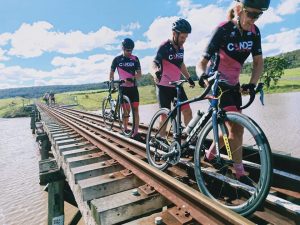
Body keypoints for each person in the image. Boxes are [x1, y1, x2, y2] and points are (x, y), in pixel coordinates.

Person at [197, 0, 270, 184]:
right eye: (251, 14)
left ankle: (210, 155)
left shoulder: (255, 32)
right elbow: (202, 63)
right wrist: (201, 76)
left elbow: (258, 62)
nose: (253, 19)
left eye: (258, 15)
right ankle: (239, 171)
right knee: (235, 128)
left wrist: (252, 84)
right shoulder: (223, 29)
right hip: (217, 85)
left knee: (235, 129)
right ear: (239, 10)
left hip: (234, 86)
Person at [152, 18, 195, 137]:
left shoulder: (181, 48)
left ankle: (189, 139)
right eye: (182, 37)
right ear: (174, 34)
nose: (184, 40)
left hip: (177, 85)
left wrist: (189, 78)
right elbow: (154, 62)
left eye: (186, 38)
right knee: (164, 115)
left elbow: (181, 64)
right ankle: (160, 139)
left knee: (187, 111)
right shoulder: (164, 46)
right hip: (164, 86)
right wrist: (156, 72)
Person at [109, 38, 142, 141]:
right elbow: (111, 73)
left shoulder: (135, 59)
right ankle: (126, 129)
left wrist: (132, 78)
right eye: (127, 50)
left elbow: (139, 74)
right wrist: (112, 83)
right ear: (122, 48)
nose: (129, 52)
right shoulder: (117, 59)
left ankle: (136, 131)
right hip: (123, 88)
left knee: (136, 110)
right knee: (126, 111)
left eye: (131, 50)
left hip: (133, 88)